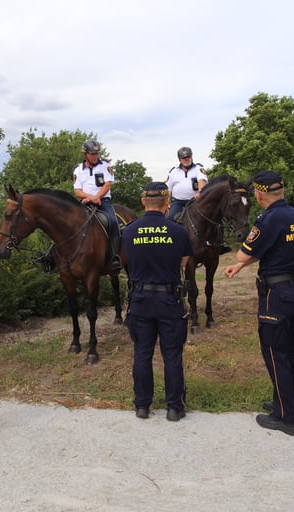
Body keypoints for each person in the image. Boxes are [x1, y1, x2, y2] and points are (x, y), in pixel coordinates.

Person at [223, 171, 294, 436]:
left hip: (277, 294)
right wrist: (240, 266)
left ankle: (286, 418)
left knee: (275, 353)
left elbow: (245, 250)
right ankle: (288, 401)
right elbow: (270, 250)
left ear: (259, 195)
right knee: (289, 351)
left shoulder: (269, 220)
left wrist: (240, 259)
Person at [122, 181, 193, 421]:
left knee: (142, 353)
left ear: (143, 202)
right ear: (167, 203)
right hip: (168, 300)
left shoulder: (129, 231)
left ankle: (142, 405)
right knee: (172, 354)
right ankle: (174, 408)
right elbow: (182, 263)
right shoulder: (179, 230)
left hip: (140, 300)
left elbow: (127, 261)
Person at [73, 139, 122, 271]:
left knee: (113, 222)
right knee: (68, 221)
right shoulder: (78, 169)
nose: (95, 156)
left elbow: (108, 184)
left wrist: (97, 197)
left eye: (96, 153)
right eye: (92, 154)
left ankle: (115, 256)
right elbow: (77, 191)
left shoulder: (105, 165)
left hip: (103, 201)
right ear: (85, 154)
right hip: (85, 202)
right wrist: (91, 198)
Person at [166, 146, 208, 221]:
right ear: (179, 159)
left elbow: (202, 181)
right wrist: (167, 204)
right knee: (170, 218)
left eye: (188, 157)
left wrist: (200, 193)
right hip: (178, 202)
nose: (186, 159)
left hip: (195, 201)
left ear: (192, 157)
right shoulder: (173, 171)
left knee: (208, 218)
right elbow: (169, 190)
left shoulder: (199, 168)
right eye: (183, 158)